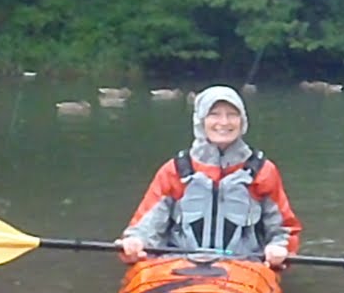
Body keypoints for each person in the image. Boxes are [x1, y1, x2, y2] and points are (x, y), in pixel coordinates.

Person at [118, 85, 302, 267]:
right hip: (179, 266)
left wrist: (279, 247)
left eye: (232, 114)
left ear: (242, 121)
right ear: (201, 120)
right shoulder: (174, 170)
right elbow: (146, 226)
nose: (224, 122)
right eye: (214, 114)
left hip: (244, 268)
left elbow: (284, 230)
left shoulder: (263, 171)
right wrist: (136, 241)